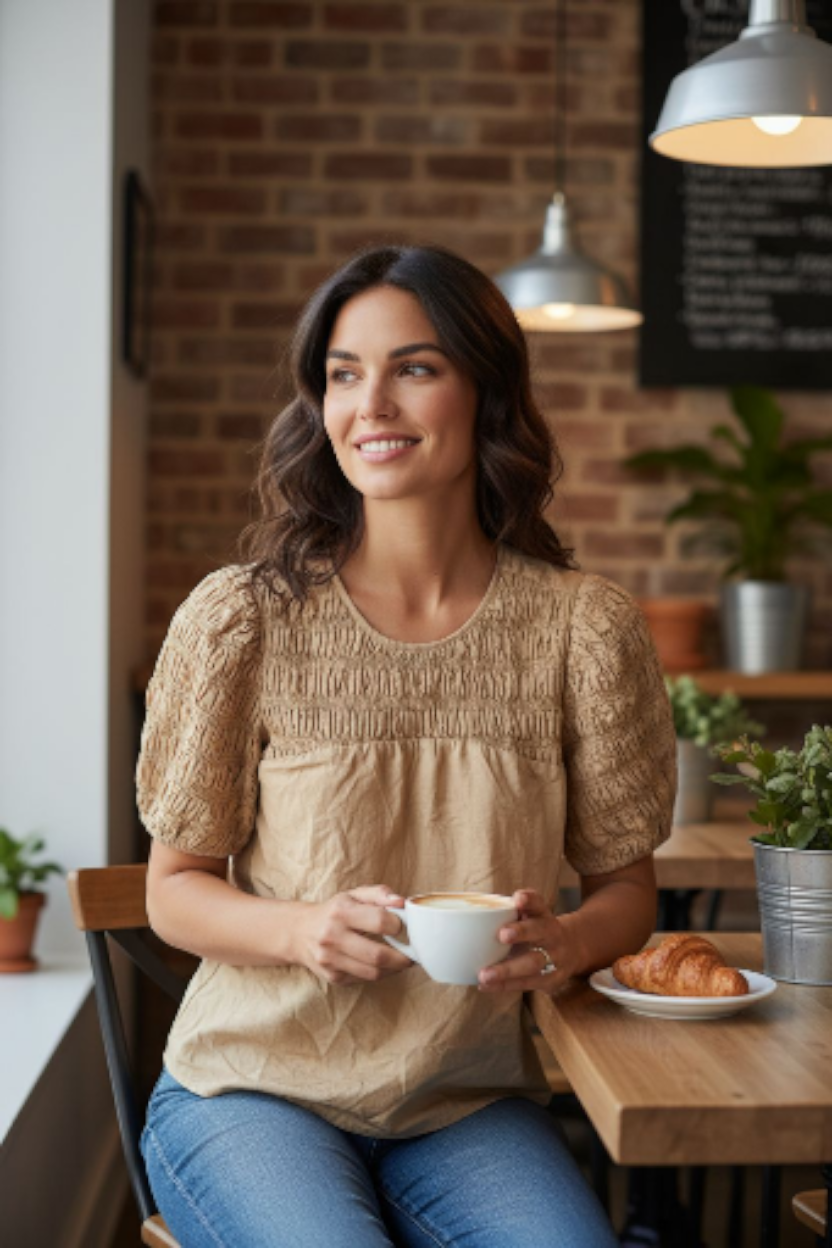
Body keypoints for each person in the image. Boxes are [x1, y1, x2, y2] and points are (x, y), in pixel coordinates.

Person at [137, 243, 676, 1248]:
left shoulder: (582, 630)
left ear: (487, 393)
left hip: (462, 1103)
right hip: (251, 1090)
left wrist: (563, 942)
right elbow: (173, 890)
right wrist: (302, 930)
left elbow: (627, 891)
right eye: (344, 374)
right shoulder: (241, 619)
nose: (370, 405)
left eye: (414, 368)